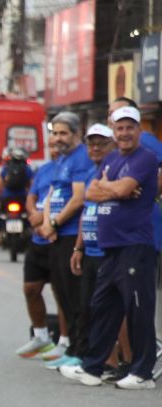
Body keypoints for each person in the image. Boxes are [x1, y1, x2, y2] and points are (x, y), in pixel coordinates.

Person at [60, 107, 159, 389]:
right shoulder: (113, 157)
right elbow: (91, 192)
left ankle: (142, 374)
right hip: (111, 246)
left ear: (139, 130)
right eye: (120, 128)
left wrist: (112, 187)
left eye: (130, 128)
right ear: (113, 132)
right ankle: (93, 368)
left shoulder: (145, 159)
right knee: (103, 307)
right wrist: (112, 187)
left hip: (134, 245)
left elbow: (122, 191)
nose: (124, 133)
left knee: (138, 310)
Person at [39, 112, 90, 368]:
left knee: (75, 294)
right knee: (62, 294)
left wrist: (57, 222)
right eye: (55, 133)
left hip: (70, 235)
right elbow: (52, 193)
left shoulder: (81, 158)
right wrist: (47, 223)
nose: (58, 138)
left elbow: (78, 197)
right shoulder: (63, 160)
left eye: (63, 133)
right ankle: (69, 346)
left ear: (75, 133)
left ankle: (81, 351)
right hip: (56, 235)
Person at [14, 141, 70, 361]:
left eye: (62, 137)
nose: (57, 146)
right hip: (38, 240)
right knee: (30, 289)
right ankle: (41, 336)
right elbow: (31, 197)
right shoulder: (44, 169)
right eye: (54, 139)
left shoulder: (73, 169)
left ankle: (65, 341)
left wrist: (48, 223)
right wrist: (35, 219)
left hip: (58, 239)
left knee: (61, 293)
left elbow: (74, 201)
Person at [66, 125, 115, 373]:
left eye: (102, 143)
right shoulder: (90, 174)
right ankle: (84, 358)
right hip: (89, 252)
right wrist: (78, 248)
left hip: (109, 253)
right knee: (85, 307)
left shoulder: (115, 170)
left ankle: (108, 361)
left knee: (105, 310)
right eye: (91, 144)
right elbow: (86, 212)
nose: (95, 148)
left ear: (112, 145)